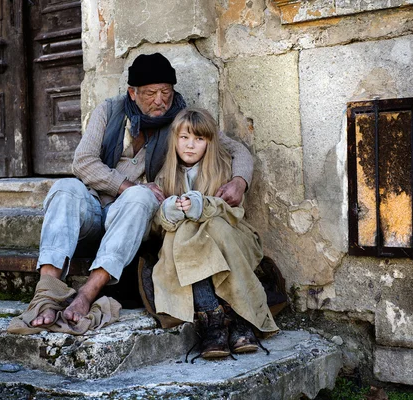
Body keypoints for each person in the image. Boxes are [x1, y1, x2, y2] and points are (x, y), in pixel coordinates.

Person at [27, 53, 254, 328]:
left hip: (136, 218)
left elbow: (236, 149)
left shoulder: (181, 120)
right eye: (150, 93)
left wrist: (240, 181)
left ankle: (87, 294)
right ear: (132, 93)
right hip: (95, 209)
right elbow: (83, 162)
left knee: (140, 195)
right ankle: (46, 295)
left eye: (165, 92)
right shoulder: (109, 111)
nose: (159, 101)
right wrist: (124, 185)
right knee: (65, 187)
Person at [152, 108, 279, 359]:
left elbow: (233, 215)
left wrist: (203, 206)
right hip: (187, 248)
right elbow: (157, 222)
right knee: (184, 234)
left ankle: (239, 315)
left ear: (210, 142)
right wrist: (169, 210)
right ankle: (213, 320)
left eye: (199, 139)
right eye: (184, 138)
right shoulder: (165, 176)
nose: (190, 146)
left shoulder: (222, 169)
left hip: (228, 237)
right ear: (174, 139)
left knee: (213, 229)